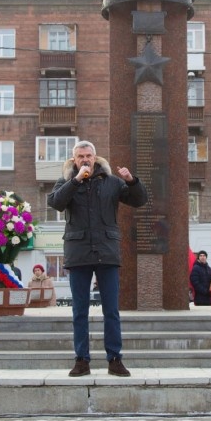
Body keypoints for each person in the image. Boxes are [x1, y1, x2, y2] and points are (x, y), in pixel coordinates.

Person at [47, 140, 148, 377]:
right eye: (80, 156)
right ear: (74, 160)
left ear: (95, 157)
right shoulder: (66, 182)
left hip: (107, 251)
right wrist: (76, 180)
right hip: (78, 252)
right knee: (79, 311)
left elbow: (138, 200)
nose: (85, 160)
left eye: (88, 156)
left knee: (111, 310)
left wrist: (131, 181)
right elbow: (55, 203)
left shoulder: (112, 182)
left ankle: (115, 359)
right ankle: (82, 360)